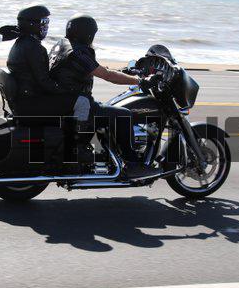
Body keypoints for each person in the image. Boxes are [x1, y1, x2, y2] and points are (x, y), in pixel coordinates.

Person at [0, 5, 85, 176]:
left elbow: (38, 79)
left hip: (22, 102)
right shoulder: (34, 48)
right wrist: (66, 90)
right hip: (31, 104)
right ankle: (73, 157)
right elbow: (44, 82)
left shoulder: (21, 43)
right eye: (44, 22)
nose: (46, 26)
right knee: (81, 102)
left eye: (47, 22)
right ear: (33, 24)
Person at [48, 14, 158, 178]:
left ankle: (105, 155)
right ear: (88, 34)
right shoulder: (78, 52)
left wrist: (124, 72)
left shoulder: (63, 44)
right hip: (76, 103)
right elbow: (107, 76)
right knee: (123, 115)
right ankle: (132, 165)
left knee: (107, 110)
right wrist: (140, 81)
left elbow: (96, 69)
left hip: (66, 101)